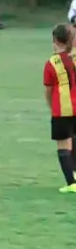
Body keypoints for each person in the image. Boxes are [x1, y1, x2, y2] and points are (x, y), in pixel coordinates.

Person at [43, 24, 76, 193]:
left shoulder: (52, 63)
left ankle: (71, 183)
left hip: (62, 109)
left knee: (63, 145)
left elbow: (48, 90)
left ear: (55, 40)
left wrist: (52, 107)